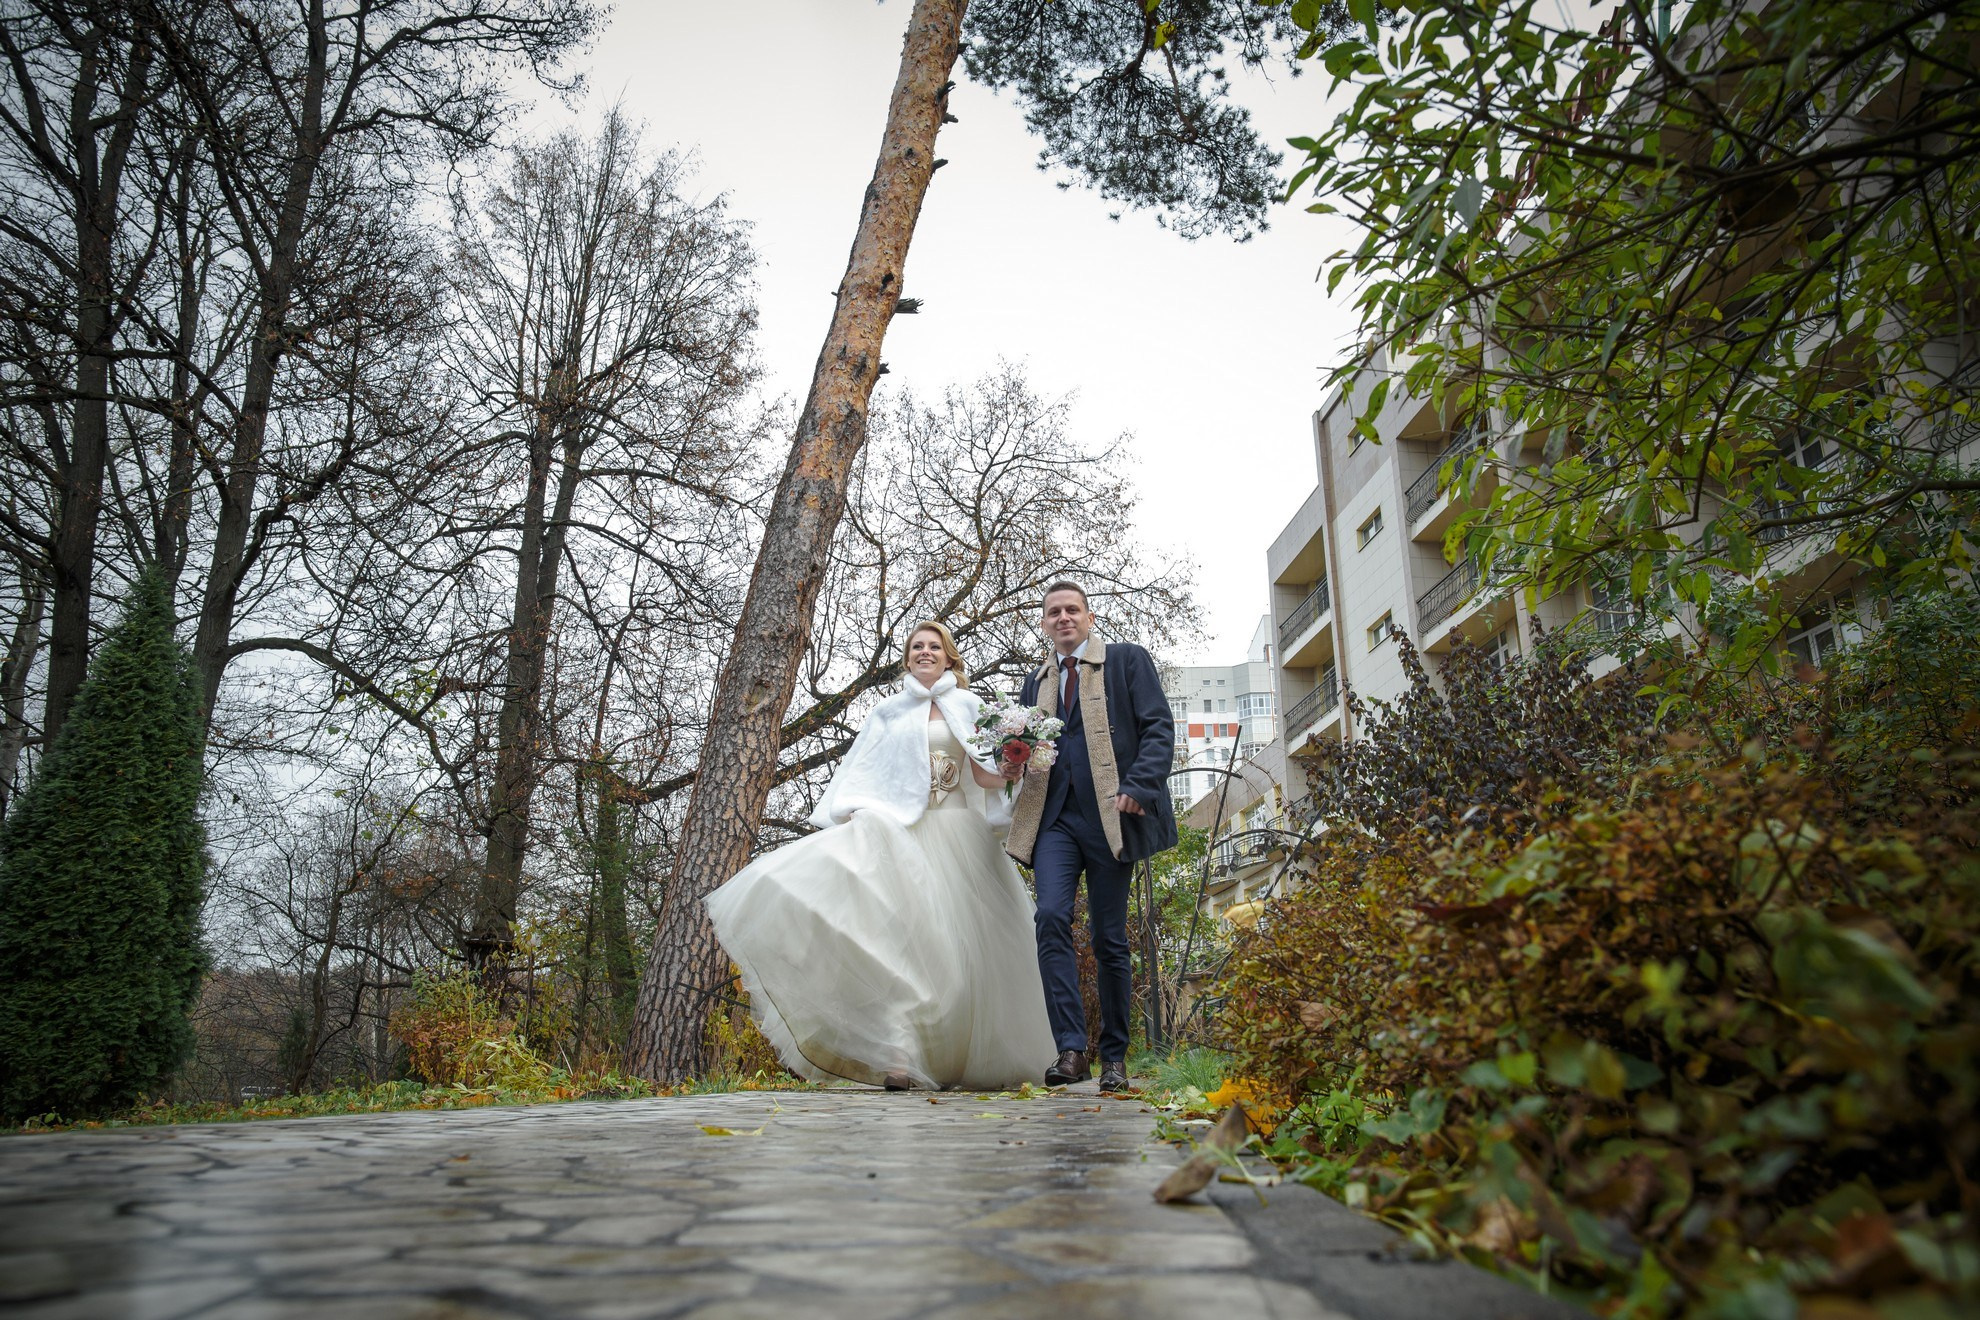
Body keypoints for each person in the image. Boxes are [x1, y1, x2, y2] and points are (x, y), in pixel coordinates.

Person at [704, 622, 1054, 1091]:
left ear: (950, 658)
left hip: (958, 834)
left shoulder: (971, 708)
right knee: (902, 947)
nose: (925, 653)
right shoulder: (887, 712)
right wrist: (853, 813)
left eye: (934, 647)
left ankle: (964, 1055)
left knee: (960, 952)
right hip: (901, 836)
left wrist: (1012, 767)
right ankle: (899, 1059)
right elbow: (864, 770)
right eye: (916, 647)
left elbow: (985, 776)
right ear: (907, 658)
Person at [1005, 581, 1177, 1092]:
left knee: (1109, 938)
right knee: (1051, 916)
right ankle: (1071, 1050)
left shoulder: (1127, 661)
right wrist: (1010, 760)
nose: (1063, 618)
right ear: (1044, 622)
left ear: (1089, 617)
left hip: (1110, 819)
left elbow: (1158, 728)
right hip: (1054, 819)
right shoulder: (1033, 686)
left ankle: (1116, 1058)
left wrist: (1139, 785)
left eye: (1072, 610)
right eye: (1053, 612)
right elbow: (1024, 749)